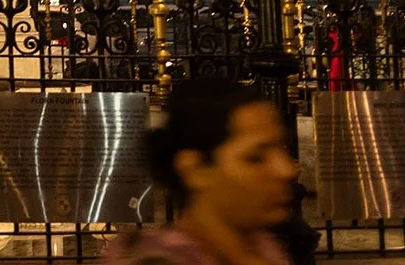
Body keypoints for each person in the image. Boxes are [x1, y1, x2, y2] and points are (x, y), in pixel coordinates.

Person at [103, 78, 297, 265]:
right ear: (195, 170)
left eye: (282, 148)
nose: (286, 170)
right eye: (255, 158)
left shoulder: (263, 247)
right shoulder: (159, 260)